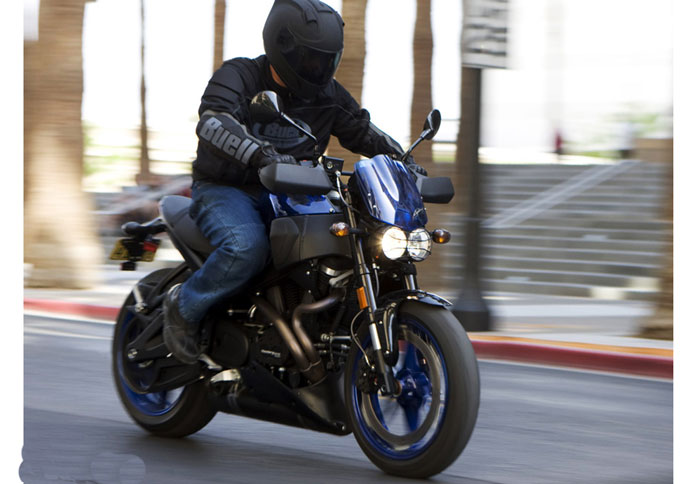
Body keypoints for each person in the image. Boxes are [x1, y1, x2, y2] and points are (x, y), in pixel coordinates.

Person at [163, 0, 427, 364]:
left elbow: (361, 130)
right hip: (228, 189)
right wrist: (261, 155)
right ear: (281, 46)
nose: (318, 68)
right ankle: (183, 306)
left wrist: (403, 160)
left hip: (297, 192)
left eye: (326, 60)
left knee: (349, 245)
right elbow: (213, 122)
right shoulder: (240, 75)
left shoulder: (328, 94)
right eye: (310, 59)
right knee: (246, 247)